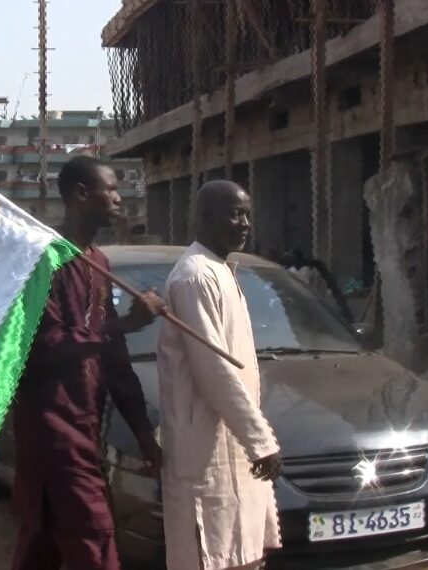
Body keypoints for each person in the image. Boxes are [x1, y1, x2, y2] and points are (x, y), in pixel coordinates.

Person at [12, 156, 164, 570]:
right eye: (110, 189)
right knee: (94, 538)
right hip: (52, 428)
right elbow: (47, 344)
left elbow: (113, 358)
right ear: (81, 194)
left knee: (42, 542)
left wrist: (142, 432)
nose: (119, 198)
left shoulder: (98, 263)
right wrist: (127, 323)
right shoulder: (47, 261)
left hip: (85, 425)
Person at [157, 180, 282, 570]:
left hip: (233, 447)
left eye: (247, 215)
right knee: (211, 551)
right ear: (204, 218)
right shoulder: (194, 277)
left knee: (244, 551)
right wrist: (260, 440)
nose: (244, 224)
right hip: (205, 451)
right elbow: (214, 370)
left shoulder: (221, 271)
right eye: (234, 214)